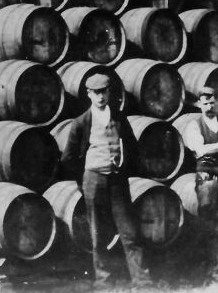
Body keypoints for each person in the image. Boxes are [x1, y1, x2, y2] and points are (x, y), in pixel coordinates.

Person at [59, 73, 152, 287]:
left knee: (129, 232)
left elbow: (132, 147)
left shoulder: (119, 118)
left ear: (109, 93)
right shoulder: (81, 122)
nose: (100, 97)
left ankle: (143, 282)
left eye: (104, 92)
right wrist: (83, 182)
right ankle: (104, 281)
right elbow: (68, 158)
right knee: (98, 235)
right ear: (89, 94)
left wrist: (123, 169)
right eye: (96, 92)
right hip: (94, 181)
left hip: (118, 182)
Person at [179, 87, 218, 282]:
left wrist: (211, 148)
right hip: (205, 179)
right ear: (199, 104)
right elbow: (199, 150)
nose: (209, 106)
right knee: (208, 221)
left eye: (212, 102)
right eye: (205, 102)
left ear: (216, 102)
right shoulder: (193, 126)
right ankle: (206, 267)